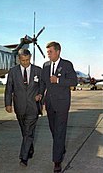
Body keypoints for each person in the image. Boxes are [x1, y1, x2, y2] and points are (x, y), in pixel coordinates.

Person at [38, 41, 78, 173]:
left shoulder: (67, 64)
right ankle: (60, 147)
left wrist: (58, 80)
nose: (48, 54)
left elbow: (74, 81)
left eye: (50, 52)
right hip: (49, 103)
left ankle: (57, 161)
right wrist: (40, 94)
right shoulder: (46, 65)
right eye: (47, 52)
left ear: (58, 51)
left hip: (62, 103)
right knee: (54, 129)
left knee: (60, 130)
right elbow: (43, 83)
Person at [4, 49, 42, 167]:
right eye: (22, 60)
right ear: (18, 59)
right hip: (19, 106)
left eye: (27, 60)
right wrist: (8, 103)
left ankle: (23, 157)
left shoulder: (38, 70)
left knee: (28, 132)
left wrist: (40, 94)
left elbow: (42, 85)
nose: (25, 63)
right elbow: (9, 88)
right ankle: (29, 148)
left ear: (30, 57)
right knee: (25, 132)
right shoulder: (13, 71)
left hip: (33, 107)